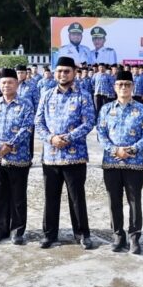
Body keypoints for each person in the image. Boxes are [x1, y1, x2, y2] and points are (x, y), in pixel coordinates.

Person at [34, 56, 96, 250]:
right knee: (50, 198)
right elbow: (38, 122)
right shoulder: (46, 95)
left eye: (66, 71)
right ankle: (49, 235)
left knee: (76, 197)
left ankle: (82, 234)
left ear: (74, 73)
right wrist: (51, 138)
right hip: (51, 156)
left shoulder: (83, 95)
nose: (62, 74)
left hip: (74, 156)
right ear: (54, 73)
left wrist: (68, 138)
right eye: (59, 71)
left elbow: (89, 122)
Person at [97, 70, 143, 254]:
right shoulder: (106, 109)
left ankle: (134, 237)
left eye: (127, 85)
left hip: (134, 162)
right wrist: (115, 150)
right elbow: (101, 134)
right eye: (120, 84)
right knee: (114, 200)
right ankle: (118, 235)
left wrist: (132, 150)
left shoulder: (142, 110)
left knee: (134, 201)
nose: (124, 88)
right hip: (111, 161)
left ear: (133, 87)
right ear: (115, 87)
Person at [0, 68, 35, 245]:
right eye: (3, 82)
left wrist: (10, 145)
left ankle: (17, 231)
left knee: (18, 196)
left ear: (17, 84)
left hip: (18, 157)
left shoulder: (25, 104)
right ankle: (0, 230)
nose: (6, 85)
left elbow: (27, 128)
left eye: (10, 82)